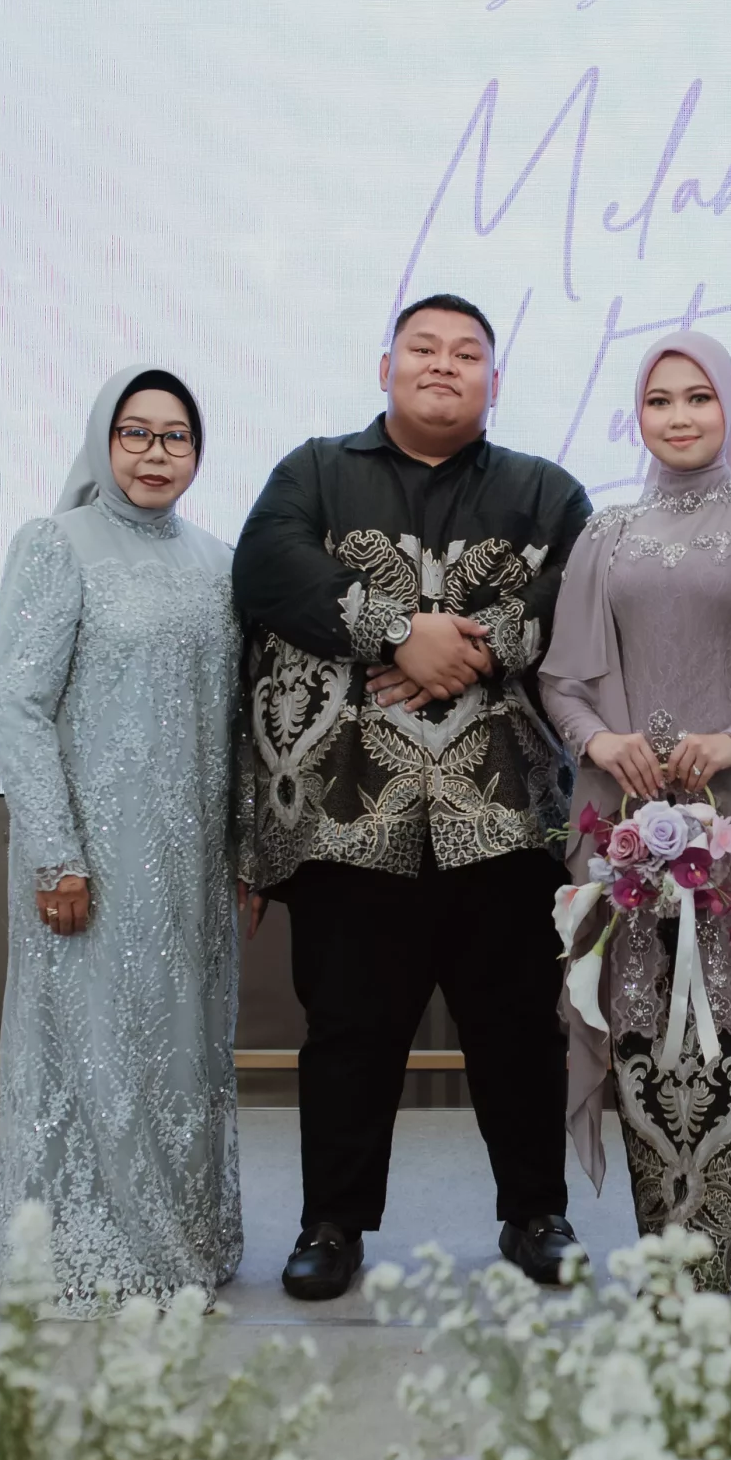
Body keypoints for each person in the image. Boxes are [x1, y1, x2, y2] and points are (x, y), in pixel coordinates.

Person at [236, 293, 593, 1301]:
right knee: (348, 1030)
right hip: (352, 815)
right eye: (423, 348)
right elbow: (267, 569)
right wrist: (398, 631)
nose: (443, 364)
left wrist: (466, 650)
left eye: (466, 353)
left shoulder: (545, 490)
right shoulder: (314, 471)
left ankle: (536, 1211)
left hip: (503, 816)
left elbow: (577, 592)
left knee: (518, 1030)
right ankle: (332, 1222)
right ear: (384, 366)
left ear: (494, 380)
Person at [538, 331, 731, 1283]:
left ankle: (721, 1270)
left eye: (698, 397)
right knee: (639, 1023)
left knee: (728, 1030)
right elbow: (562, 681)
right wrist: (600, 742)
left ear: (729, 407)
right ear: (639, 415)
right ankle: (669, 1270)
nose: (679, 416)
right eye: (659, 400)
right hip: (621, 817)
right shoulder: (605, 534)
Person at [0, 365, 248, 1312]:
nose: (154, 453)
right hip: (91, 857)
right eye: (135, 433)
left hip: (191, 863)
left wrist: (243, 849)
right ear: (103, 440)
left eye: (175, 436)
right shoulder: (57, 544)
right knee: (94, 1043)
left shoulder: (219, 561)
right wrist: (55, 854)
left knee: (181, 1047)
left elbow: (236, 720)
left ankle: (182, 1241)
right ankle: (80, 1247)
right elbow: (16, 703)